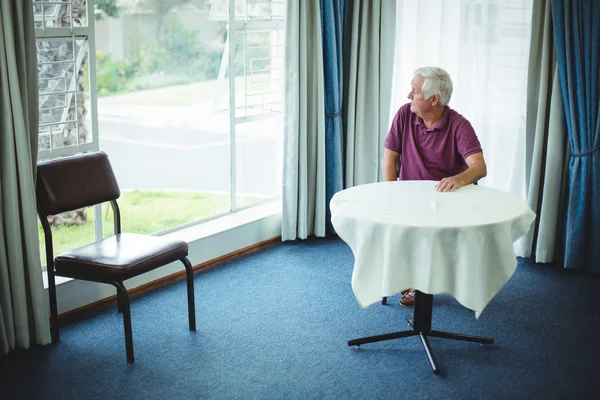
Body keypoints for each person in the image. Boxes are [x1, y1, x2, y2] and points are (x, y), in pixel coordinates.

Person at [381, 66, 487, 307]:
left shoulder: (459, 125)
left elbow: (479, 167)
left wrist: (458, 179)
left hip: (444, 200)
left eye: (415, 91)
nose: (409, 95)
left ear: (434, 99)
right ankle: (408, 279)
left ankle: (419, 284)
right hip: (407, 196)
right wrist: (389, 194)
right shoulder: (405, 114)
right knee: (393, 226)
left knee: (426, 233)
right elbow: (389, 159)